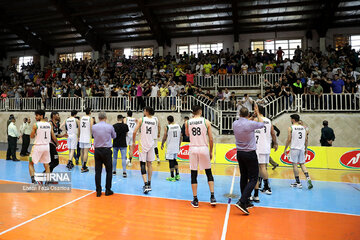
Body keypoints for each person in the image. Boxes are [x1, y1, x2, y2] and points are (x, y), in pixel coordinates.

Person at [233, 104, 264, 215]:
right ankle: (242, 201)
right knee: (253, 178)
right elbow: (262, 124)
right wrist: (258, 113)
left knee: (243, 177)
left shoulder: (235, 123)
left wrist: (252, 116)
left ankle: (245, 201)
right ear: (248, 114)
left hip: (240, 153)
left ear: (240, 114)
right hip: (250, 153)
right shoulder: (250, 124)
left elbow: (245, 122)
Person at [185, 105, 216, 208]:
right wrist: (211, 151)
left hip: (193, 148)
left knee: (194, 174)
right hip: (203, 148)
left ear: (193, 112)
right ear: (200, 111)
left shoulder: (187, 122)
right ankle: (212, 197)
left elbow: (187, 134)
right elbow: (211, 139)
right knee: (208, 172)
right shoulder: (206, 122)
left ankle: (195, 199)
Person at [251, 106, 278, 203]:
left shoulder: (255, 119)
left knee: (256, 169)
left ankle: (255, 191)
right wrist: (275, 143)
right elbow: (273, 133)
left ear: (257, 111)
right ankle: (267, 187)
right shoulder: (269, 121)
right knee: (263, 167)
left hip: (257, 147)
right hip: (266, 146)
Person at [284, 114, 313, 189]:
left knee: (295, 165)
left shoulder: (291, 128)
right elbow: (306, 139)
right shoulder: (304, 128)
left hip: (294, 148)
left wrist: (285, 148)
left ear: (293, 119)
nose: (290, 120)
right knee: (302, 164)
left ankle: (298, 182)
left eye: (291, 119)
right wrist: (306, 148)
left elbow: (289, 139)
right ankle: (308, 178)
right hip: (302, 148)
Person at [132, 106, 158, 194]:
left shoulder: (142, 119)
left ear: (146, 111)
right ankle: (149, 183)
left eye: (144, 110)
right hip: (151, 144)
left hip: (143, 144)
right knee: (149, 164)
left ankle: (146, 184)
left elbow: (134, 131)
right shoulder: (154, 121)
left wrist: (133, 141)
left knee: (142, 163)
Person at [29, 110, 57, 184]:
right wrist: (57, 143)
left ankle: (33, 180)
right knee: (46, 165)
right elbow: (53, 136)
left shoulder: (36, 125)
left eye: (37, 115)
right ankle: (47, 182)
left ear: (41, 116)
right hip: (46, 147)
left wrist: (34, 133)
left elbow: (31, 136)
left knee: (31, 163)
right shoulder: (49, 125)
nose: (35, 117)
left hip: (38, 146)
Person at [92, 112, 116, 197]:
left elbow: (93, 135)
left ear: (98, 118)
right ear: (105, 117)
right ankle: (107, 190)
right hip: (106, 150)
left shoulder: (94, 127)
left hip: (97, 150)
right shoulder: (110, 127)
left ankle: (98, 191)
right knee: (109, 171)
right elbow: (114, 136)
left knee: (97, 171)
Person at [161, 115, 182, 182]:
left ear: (168, 120)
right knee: (175, 160)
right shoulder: (178, 126)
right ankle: (177, 174)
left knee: (171, 161)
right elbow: (181, 136)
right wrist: (179, 144)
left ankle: (172, 176)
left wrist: (162, 143)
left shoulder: (167, 127)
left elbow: (165, 136)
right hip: (176, 145)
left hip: (170, 146)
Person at [79, 108, 94, 173]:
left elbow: (79, 128)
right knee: (85, 152)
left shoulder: (81, 118)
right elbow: (91, 127)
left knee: (82, 152)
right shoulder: (90, 118)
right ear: (90, 112)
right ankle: (84, 166)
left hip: (81, 136)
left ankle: (82, 165)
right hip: (87, 136)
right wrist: (92, 134)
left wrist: (78, 136)